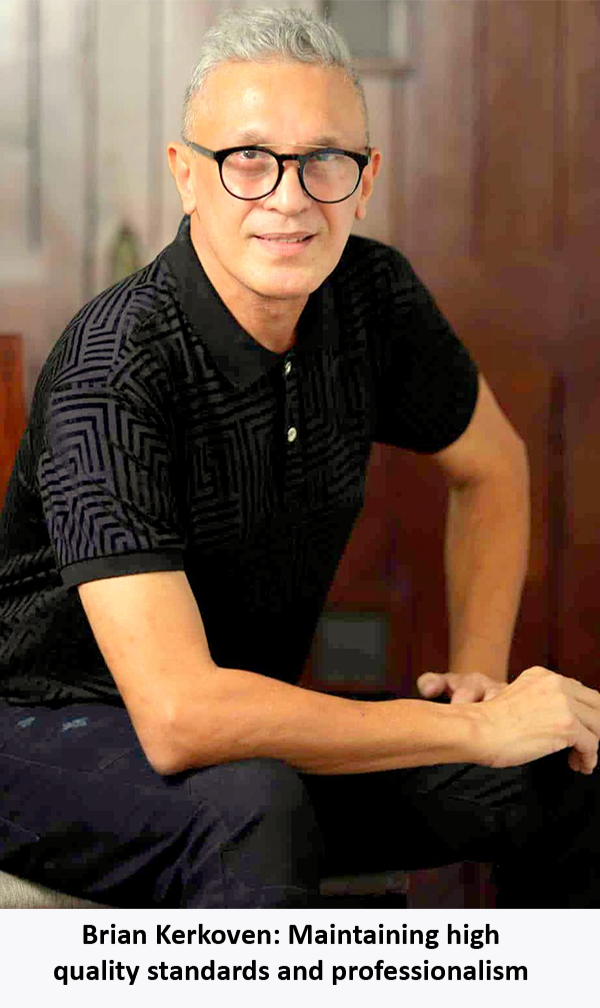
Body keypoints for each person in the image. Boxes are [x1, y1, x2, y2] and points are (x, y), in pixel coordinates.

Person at [1, 6, 599, 909]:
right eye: (248, 159)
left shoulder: (372, 298)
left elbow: (493, 466)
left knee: (563, 763)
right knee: (253, 804)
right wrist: (476, 734)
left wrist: (480, 683)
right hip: (39, 730)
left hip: (247, 727)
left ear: (365, 181)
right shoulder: (113, 366)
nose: (288, 197)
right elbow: (180, 719)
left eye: (324, 160)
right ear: (186, 176)